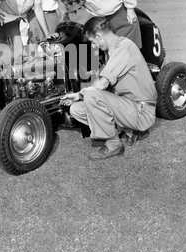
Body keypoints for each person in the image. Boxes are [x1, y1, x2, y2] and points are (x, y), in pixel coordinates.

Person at [60, 16, 157, 160]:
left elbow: (102, 84)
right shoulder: (113, 50)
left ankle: (114, 144)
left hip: (141, 111)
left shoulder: (123, 48)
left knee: (92, 95)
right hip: (128, 105)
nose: (95, 45)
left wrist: (81, 94)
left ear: (99, 36)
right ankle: (128, 130)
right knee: (76, 109)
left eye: (93, 41)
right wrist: (78, 96)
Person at [52, 0, 142, 49]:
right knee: (112, 53)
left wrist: (130, 9)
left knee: (123, 53)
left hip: (124, 20)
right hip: (109, 22)